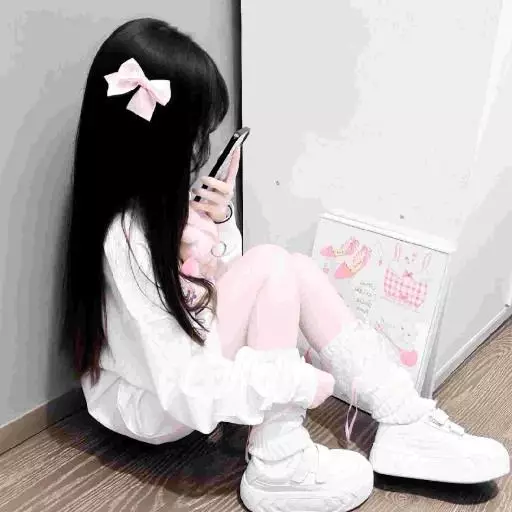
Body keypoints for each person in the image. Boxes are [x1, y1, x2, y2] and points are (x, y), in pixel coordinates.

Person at [63, 18, 510, 512]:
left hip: (184, 366)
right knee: (273, 264)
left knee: (289, 266)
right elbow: (180, 383)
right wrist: (292, 382)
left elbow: (215, 285)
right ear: (159, 144)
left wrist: (218, 221)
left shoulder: (158, 210)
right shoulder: (125, 238)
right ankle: (278, 463)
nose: (198, 152)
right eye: (193, 139)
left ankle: (402, 416)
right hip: (159, 401)